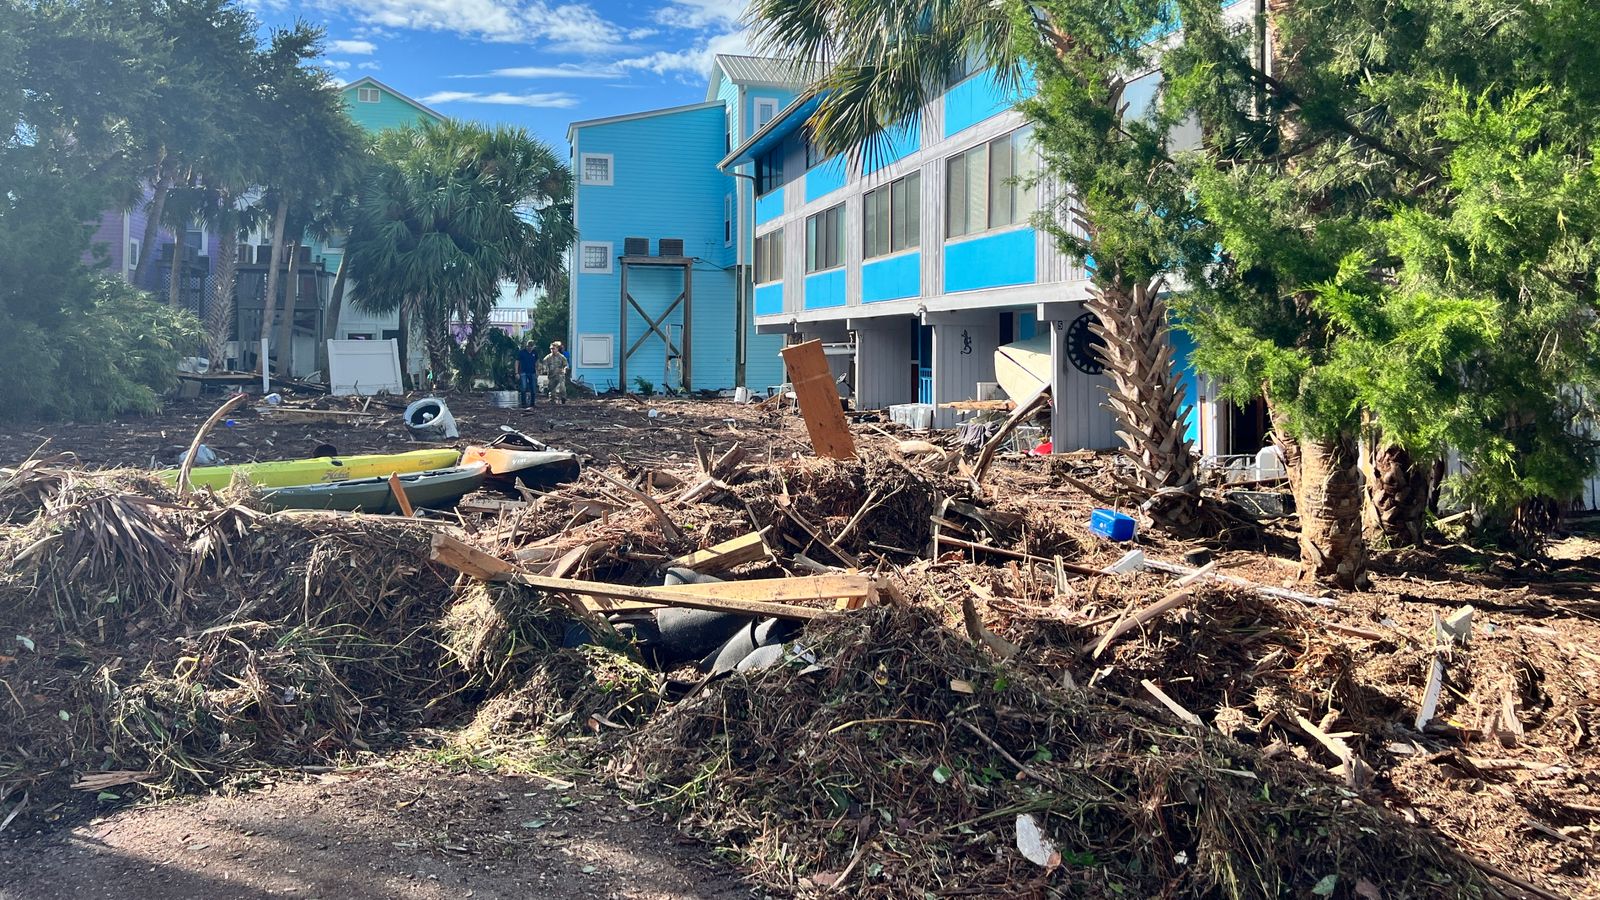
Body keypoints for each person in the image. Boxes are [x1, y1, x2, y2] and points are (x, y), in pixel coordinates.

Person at [515, 339, 539, 408]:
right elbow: (517, 362)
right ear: (526, 346)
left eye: (531, 347)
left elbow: (537, 362)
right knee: (523, 388)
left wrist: (538, 371)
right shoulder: (522, 352)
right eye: (529, 346)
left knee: (533, 388)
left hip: (532, 372)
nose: (530, 348)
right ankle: (523, 403)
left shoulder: (535, 353)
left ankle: (532, 403)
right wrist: (516, 372)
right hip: (523, 372)